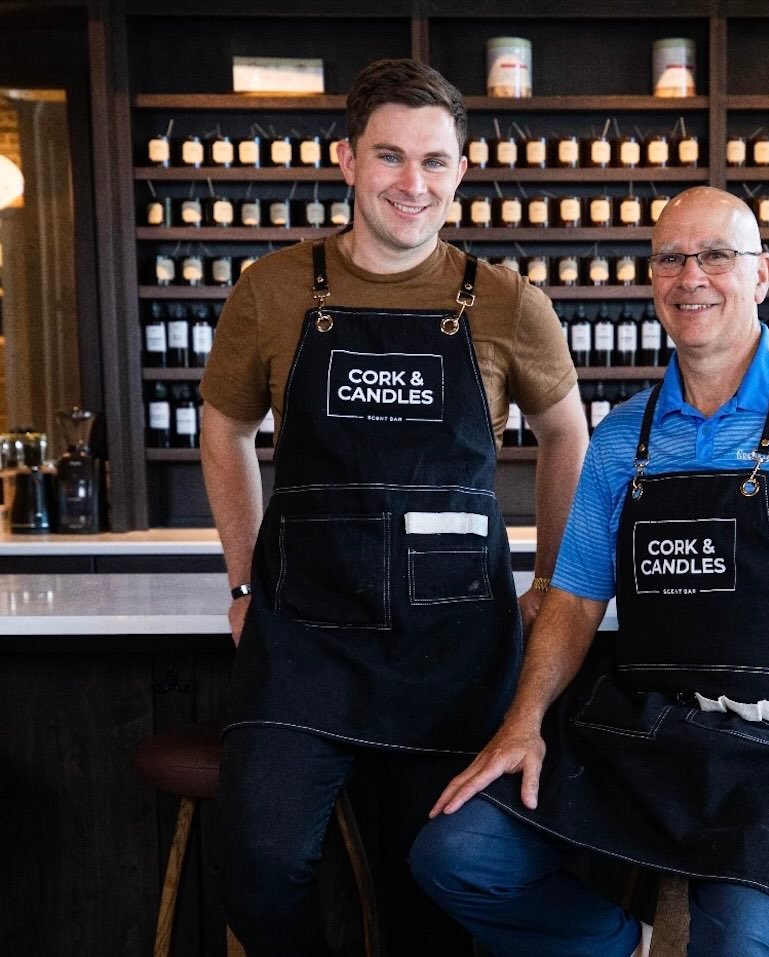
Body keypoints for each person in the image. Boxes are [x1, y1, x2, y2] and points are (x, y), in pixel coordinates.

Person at [409, 186, 769, 957]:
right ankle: (630, 947)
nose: (692, 276)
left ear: (761, 274)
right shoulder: (623, 438)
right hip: (644, 732)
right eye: (671, 258)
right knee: (456, 857)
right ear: (652, 278)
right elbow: (575, 601)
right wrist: (522, 722)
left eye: (716, 255)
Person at [198, 58, 588, 956]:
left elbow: (568, 435)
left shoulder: (506, 303)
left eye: (435, 161)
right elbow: (224, 430)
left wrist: (548, 580)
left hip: (451, 650)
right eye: (389, 157)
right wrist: (243, 580)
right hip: (303, 640)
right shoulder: (274, 289)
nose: (414, 183)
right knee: (257, 868)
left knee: (431, 891)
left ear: (461, 169)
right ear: (345, 159)